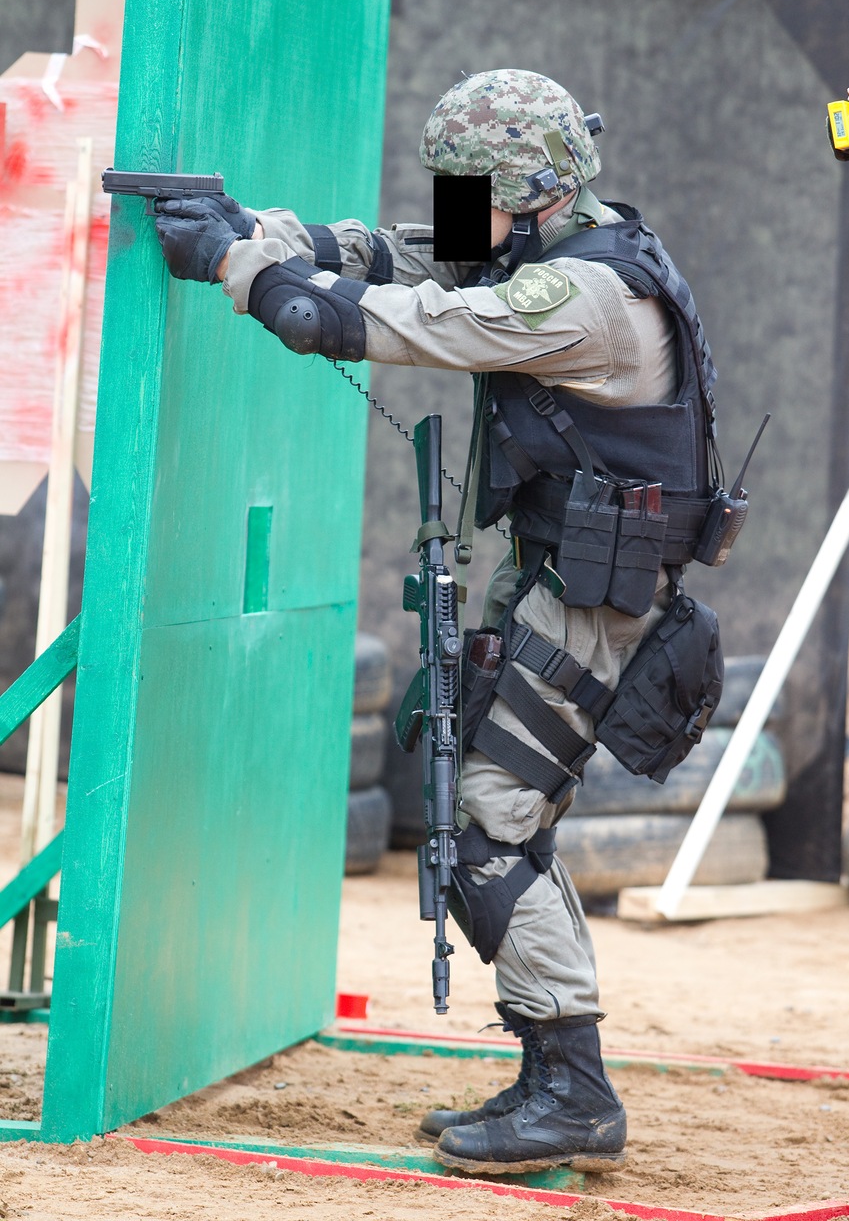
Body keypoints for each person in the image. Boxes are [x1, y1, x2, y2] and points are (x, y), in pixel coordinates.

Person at [154, 69, 719, 1177]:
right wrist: (257, 226)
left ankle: (574, 1093)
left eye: (473, 190)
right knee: (498, 815)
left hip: (597, 598)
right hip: (566, 575)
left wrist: (239, 266)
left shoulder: (584, 297)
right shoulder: (553, 239)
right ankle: (553, 1071)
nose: (455, 209)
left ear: (535, 190)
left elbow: (358, 317)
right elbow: (396, 257)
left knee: (486, 824)